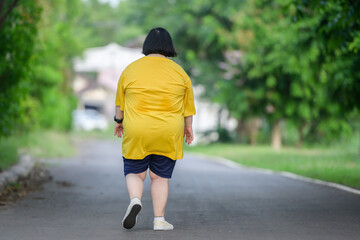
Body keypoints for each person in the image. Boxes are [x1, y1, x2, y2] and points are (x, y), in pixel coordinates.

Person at [114, 27, 196, 231]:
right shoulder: (180, 72)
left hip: (137, 130)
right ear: (169, 46)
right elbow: (188, 108)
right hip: (168, 131)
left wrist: (118, 121)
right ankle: (159, 220)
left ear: (146, 45)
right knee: (160, 177)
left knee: (135, 172)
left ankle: (135, 200)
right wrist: (188, 128)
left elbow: (119, 104)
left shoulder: (130, 70)